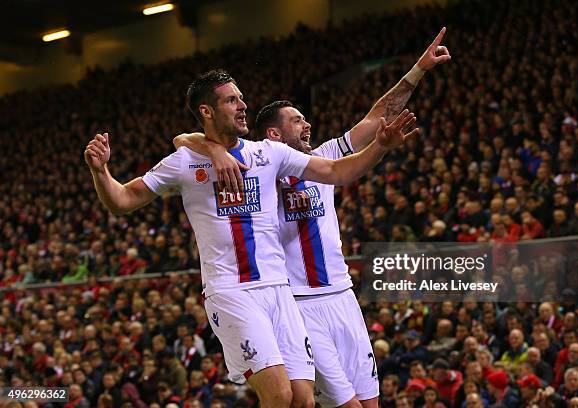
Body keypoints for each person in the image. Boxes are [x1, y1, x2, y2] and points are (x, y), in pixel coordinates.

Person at [84, 69, 417, 408]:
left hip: (279, 289)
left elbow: (336, 171)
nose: (243, 105)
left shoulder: (268, 154)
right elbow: (122, 200)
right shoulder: (184, 162)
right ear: (206, 111)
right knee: (279, 395)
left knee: (302, 399)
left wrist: (379, 147)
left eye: (241, 98)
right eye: (232, 100)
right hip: (231, 291)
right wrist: (101, 172)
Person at [174, 28, 450, 408]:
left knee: (370, 404)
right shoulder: (261, 164)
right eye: (298, 120)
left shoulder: (323, 158)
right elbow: (186, 139)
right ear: (273, 133)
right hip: (300, 303)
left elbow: (376, 118)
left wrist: (418, 69)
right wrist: (205, 145)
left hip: (343, 295)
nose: (308, 125)